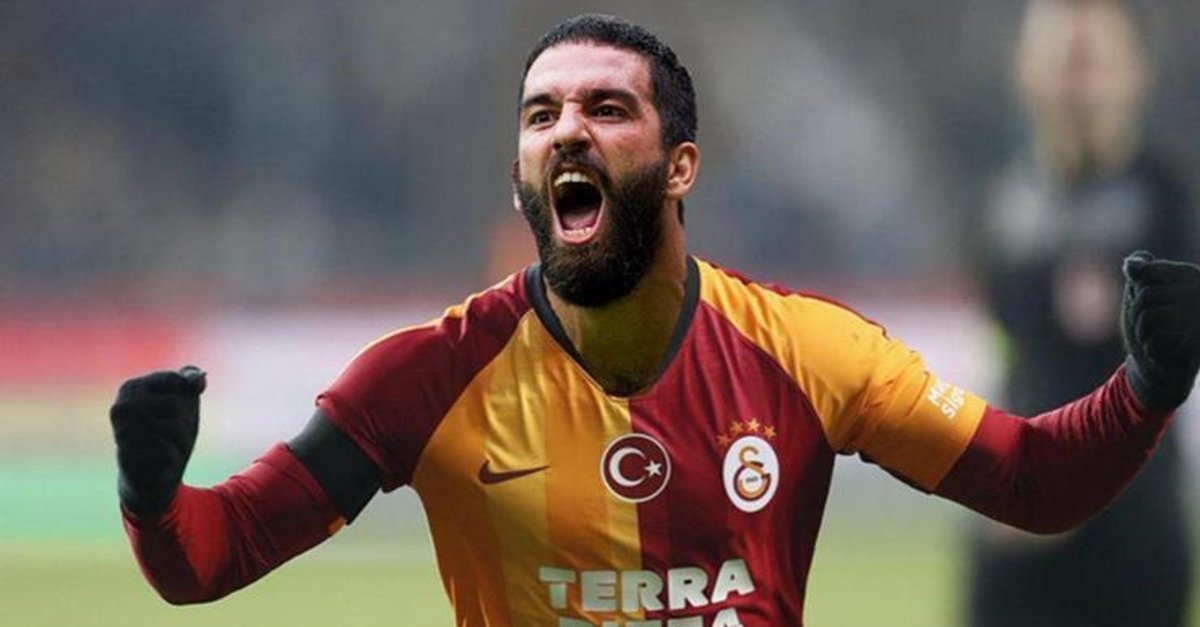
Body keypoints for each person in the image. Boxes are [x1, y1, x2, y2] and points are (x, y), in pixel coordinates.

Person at [111, 14, 1200, 627]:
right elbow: (212, 555)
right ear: (520, 173)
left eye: (606, 108)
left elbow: (1035, 481)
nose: (568, 131)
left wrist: (1145, 385)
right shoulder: (425, 379)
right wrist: (152, 496)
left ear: (681, 166)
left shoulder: (807, 349)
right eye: (542, 115)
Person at [967, 1, 1195, 625]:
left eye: (1093, 63)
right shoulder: (1001, 208)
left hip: (1133, 544)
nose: (1079, 87)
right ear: (1025, 70)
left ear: (1135, 72)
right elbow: (1008, 355)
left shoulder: (1172, 205)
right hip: (1016, 533)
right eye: (1064, 62)